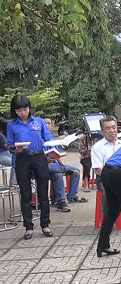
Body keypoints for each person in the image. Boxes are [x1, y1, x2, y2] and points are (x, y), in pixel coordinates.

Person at [6, 95, 55, 240]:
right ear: (15, 111)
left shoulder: (39, 122)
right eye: (19, 110)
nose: (23, 112)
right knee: (26, 193)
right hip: (22, 158)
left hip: (39, 157)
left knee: (43, 192)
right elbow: (9, 145)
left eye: (25, 109)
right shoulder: (12, 125)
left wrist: (53, 150)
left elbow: (48, 139)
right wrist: (15, 149)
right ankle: (28, 226)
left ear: (29, 108)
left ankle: (45, 224)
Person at [43, 116, 87, 213]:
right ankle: (60, 201)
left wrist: (62, 165)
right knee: (57, 173)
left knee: (76, 171)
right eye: (44, 123)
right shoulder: (39, 138)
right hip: (44, 166)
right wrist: (47, 160)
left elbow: (57, 155)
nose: (46, 125)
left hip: (54, 164)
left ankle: (72, 195)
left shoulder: (52, 139)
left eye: (48, 123)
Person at [91, 116, 121, 214]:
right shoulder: (97, 147)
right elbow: (98, 169)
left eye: (114, 127)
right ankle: (108, 217)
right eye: (108, 128)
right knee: (109, 190)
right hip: (105, 179)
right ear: (102, 131)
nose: (112, 131)